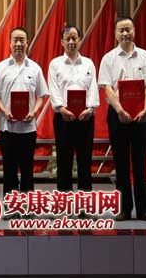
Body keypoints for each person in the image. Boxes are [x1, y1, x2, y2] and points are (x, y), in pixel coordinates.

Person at [98, 16, 146, 221]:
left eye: (128, 29)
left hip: (142, 116)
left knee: (140, 163)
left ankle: (144, 209)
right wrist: (120, 111)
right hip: (118, 116)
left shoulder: (145, 56)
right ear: (116, 34)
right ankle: (124, 209)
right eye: (121, 30)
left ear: (134, 31)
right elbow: (107, 88)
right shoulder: (108, 58)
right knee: (121, 163)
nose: (125, 33)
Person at [0, 27, 49, 200]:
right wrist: (4, 111)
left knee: (27, 169)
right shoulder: (0, 68)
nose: (19, 44)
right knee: (9, 169)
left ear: (27, 43)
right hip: (7, 128)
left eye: (22, 40)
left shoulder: (35, 68)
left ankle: (27, 204)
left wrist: (34, 112)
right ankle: (11, 204)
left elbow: (42, 96)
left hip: (28, 128)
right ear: (10, 43)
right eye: (15, 40)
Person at [47, 25, 99, 194]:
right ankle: (64, 201)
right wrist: (61, 108)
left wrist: (90, 109)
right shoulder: (55, 64)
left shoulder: (88, 63)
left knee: (85, 161)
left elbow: (93, 88)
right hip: (63, 119)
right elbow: (53, 89)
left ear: (80, 40)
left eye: (74, 38)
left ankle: (85, 202)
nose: (71, 41)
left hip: (86, 118)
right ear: (62, 42)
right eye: (67, 38)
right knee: (64, 161)